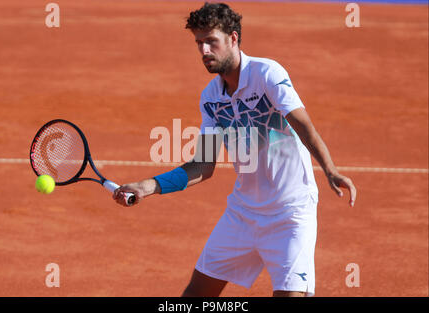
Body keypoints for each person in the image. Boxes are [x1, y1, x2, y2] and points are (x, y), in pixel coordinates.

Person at [113, 2, 356, 297]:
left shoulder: (267, 74)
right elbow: (203, 166)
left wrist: (330, 169)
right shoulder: (211, 98)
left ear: (233, 38)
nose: (204, 51)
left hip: (290, 213)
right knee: (194, 297)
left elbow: (304, 126)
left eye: (211, 42)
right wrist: (147, 186)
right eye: (198, 43)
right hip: (243, 213)